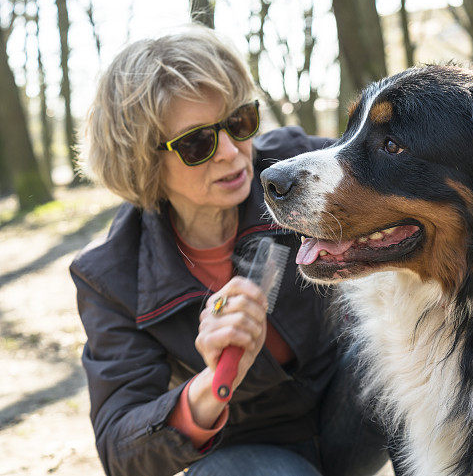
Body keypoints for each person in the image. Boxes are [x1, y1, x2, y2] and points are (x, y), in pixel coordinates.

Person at [70, 27, 389, 476]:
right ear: (141, 161)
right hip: (249, 453)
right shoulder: (110, 277)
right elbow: (123, 451)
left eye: (239, 122)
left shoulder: (296, 167)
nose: (231, 152)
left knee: (393, 350)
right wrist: (212, 387)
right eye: (196, 143)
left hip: (353, 410)